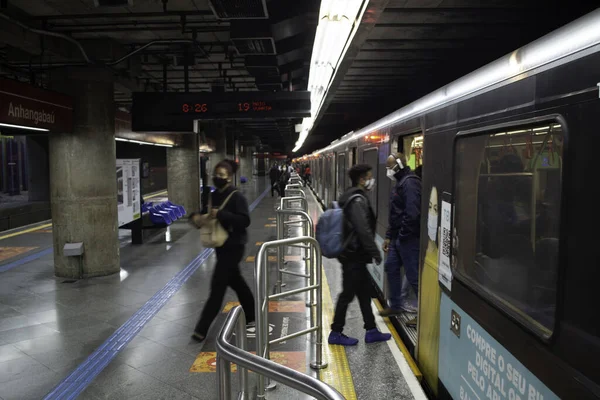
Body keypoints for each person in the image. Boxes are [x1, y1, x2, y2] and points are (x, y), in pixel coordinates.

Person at [190, 159, 255, 341]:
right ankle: (253, 315)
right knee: (237, 282)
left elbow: (245, 221)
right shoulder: (213, 196)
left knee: (217, 287)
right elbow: (205, 214)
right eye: (216, 174)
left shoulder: (237, 196)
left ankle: (201, 330)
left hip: (234, 246)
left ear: (229, 177)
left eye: (221, 175)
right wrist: (196, 218)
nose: (217, 178)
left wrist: (221, 214)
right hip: (220, 245)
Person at [328, 164, 391, 346]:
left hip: (355, 256)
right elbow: (363, 230)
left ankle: (371, 330)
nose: (372, 181)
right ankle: (336, 332)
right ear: (362, 179)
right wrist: (375, 252)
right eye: (369, 177)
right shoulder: (357, 200)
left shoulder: (352, 195)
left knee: (363, 293)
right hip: (353, 256)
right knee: (347, 295)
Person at [380, 153, 422, 320]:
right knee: (391, 266)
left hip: (408, 239)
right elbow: (395, 214)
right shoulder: (400, 183)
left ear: (398, 165)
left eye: (390, 167)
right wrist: (389, 236)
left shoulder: (410, 183)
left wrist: (403, 236)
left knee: (413, 276)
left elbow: (412, 214)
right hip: (398, 237)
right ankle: (395, 305)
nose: (388, 171)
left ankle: (423, 314)